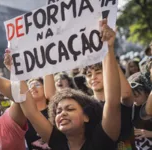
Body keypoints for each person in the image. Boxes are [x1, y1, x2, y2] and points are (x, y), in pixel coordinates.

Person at [7, 19, 121, 150]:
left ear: (86, 116)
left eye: (70, 109)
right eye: (58, 111)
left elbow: (113, 102)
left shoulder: (103, 139)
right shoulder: (57, 141)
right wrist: (16, 72)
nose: (62, 114)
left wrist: (108, 48)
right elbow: (31, 112)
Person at [128, 72, 152, 149]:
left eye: (136, 95)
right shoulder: (132, 108)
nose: (133, 99)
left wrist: (150, 134)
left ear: (147, 94)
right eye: (131, 96)